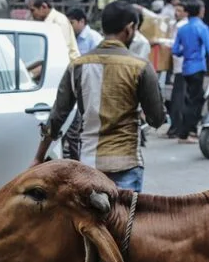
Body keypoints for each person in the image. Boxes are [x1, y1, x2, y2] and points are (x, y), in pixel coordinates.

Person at [34, 0, 166, 192]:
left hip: (88, 166)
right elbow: (156, 119)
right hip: (126, 164)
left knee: (91, 222)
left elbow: (57, 117)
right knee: (125, 222)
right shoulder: (140, 67)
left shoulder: (77, 66)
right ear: (129, 28)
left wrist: (39, 157)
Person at [170, 0, 209, 143]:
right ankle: (190, 133)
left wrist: (186, 52)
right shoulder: (201, 27)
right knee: (196, 101)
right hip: (197, 67)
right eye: (203, 8)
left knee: (189, 99)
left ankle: (183, 133)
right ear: (199, 11)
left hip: (185, 68)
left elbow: (175, 51)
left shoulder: (183, 28)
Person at [165, 1, 189, 138]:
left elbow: (175, 46)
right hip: (178, 67)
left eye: (179, 11)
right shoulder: (177, 24)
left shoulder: (182, 26)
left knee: (178, 99)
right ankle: (177, 128)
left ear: (186, 13)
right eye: (176, 10)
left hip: (181, 67)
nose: (176, 13)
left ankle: (176, 129)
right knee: (180, 98)